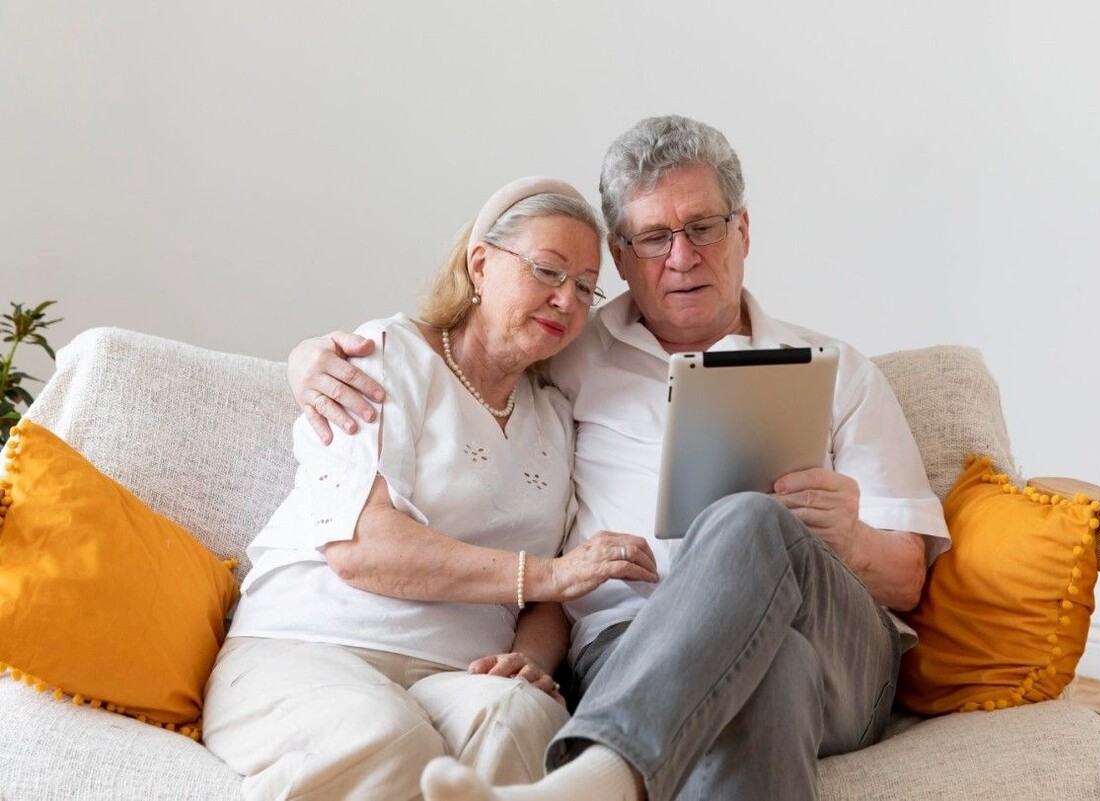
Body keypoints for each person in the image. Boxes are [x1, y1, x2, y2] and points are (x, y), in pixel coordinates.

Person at [289, 117, 951, 801]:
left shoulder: (839, 371)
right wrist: (308, 360)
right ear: (622, 256)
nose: (682, 257)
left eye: (703, 227)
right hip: (629, 646)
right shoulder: (571, 349)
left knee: (750, 519)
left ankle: (598, 773)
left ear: (743, 231)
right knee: (773, 670)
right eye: (654, 238)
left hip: (839, 651)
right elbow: (465, 348)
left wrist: (849, 538)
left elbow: (908, 579)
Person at [202, 176, 659, 801]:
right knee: (389, 739)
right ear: (481, 264)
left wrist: (530, 659)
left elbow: (551, 600)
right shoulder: (387, 356)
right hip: (311, 647)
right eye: (547, 271)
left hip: (458, 672)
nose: (566, 300)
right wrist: (549, 575)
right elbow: (361, 546)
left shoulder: (556, 417)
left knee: (520, 718)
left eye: (585, 287)